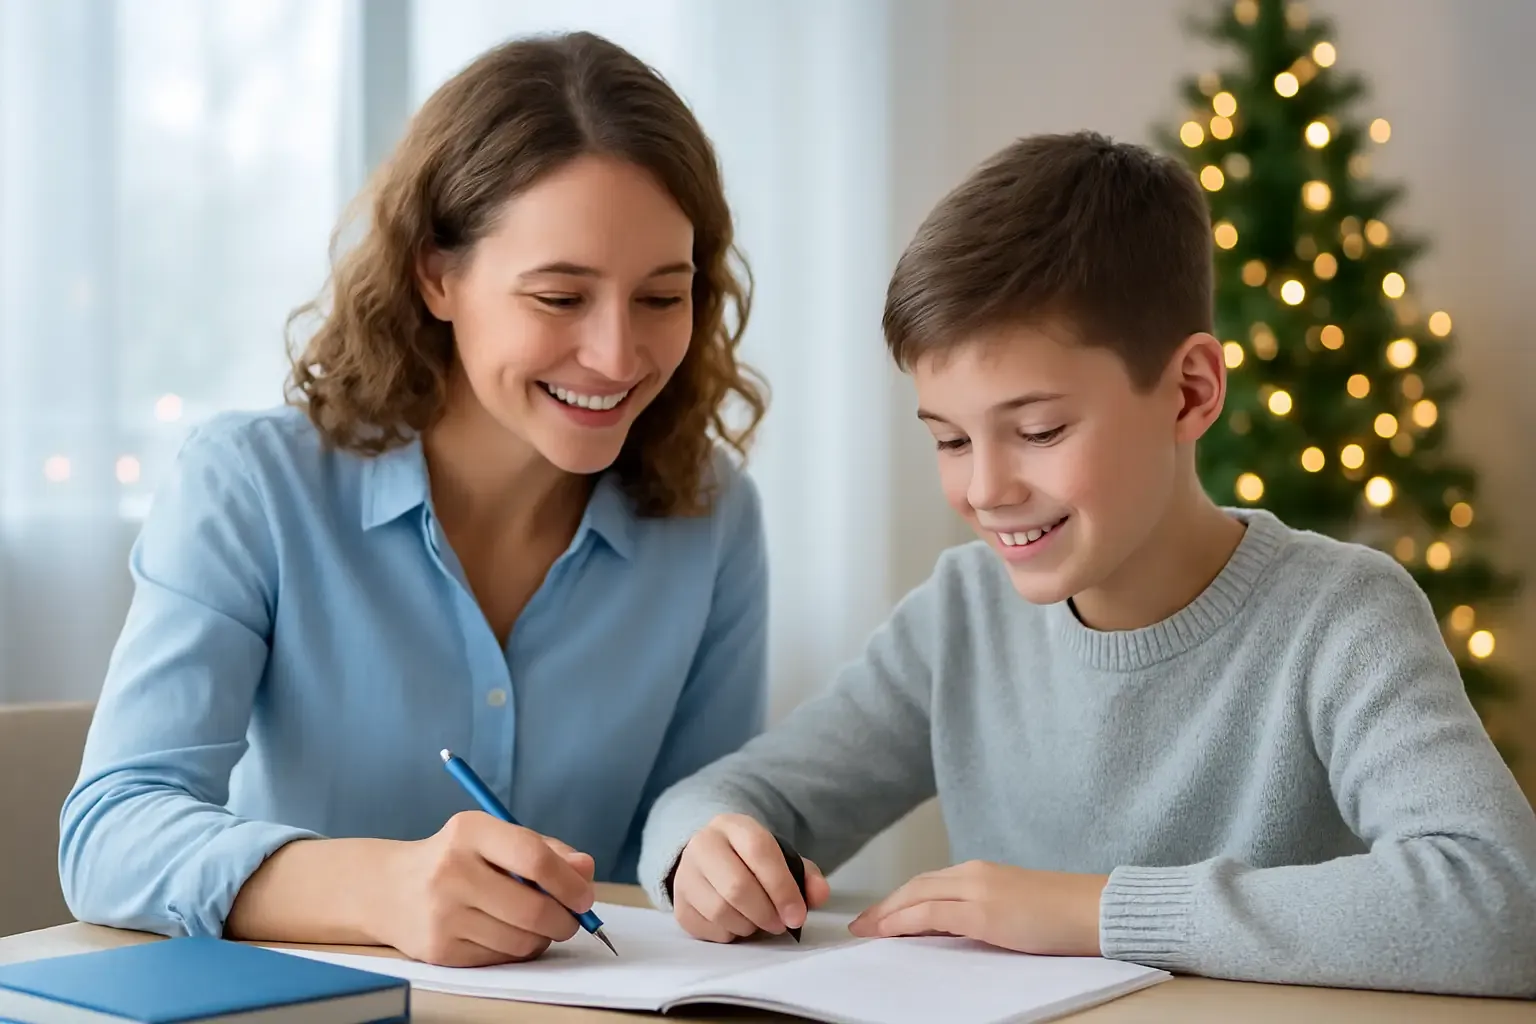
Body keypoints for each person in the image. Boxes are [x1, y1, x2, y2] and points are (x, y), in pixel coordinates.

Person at [638, 131, 1536, 997]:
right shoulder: (963, 616)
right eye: (950, 439)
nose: (985, 488)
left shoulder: (1341, 617)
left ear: (1189, 392)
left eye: (1038, 431)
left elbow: (1501, 903)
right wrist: (706, 852)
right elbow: (730, 796)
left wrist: (1097, 911)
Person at [60, 31, 770, 968]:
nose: (617, 356)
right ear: (437, 275)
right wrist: (381, 889)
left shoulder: (712, 516)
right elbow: (109, 831)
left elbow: (680, 832)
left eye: (660, 298)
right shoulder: (252, 488)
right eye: (560, 298)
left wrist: (717, 857)